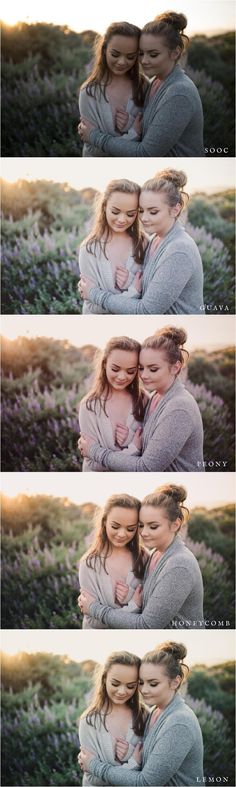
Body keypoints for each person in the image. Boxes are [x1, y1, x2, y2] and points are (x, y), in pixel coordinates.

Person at [78, 326, 205, 472]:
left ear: (176, 368)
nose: (144, 375)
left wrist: (94, 451)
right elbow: (148, 444)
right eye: (142, 368)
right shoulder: (153, 398)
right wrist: (130, 439)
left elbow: (146, 466)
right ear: (105, 364)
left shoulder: (178, 407)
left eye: (153, 369)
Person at [78, 484, 204, 629]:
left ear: (175, 524)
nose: (143, 533)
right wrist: (130, 597)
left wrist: (94, 608)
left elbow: (147, 624)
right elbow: (151, 603)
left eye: (153, 526)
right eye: (141, 525)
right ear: (105, 522)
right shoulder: (152, 555)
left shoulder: (178, 565)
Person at [78, 12, 205, 157]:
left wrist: (94, 136)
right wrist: (129, 125)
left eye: (153, 54)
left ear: (175, 53)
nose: (144, 61)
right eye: (141, 53)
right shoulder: (154, 83)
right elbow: (150, 131)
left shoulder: (178, 92)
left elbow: (146, 152)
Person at [78, 169, 204, 314]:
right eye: (141, 211)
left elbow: (146, 309)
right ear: (104, 207)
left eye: (153, 212)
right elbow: (149, 289)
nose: (144, 218)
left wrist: (94, 294)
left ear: (175, 210)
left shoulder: (178, 250)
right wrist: (130, 282)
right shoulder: (153, 240)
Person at [78, 641, 204, 786]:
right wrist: (130, 753)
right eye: (141, 682)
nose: (144, 690)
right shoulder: (154, 712)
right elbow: (150, 761)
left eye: (153, 684)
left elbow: (145, 782)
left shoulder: (179, 722)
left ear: (175, 682)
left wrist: (94, 765)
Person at [78, 493, 147, 628]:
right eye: (115, 526)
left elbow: (151, 614)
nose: (122, 534)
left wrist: (130, 596)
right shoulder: (89, 564)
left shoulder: (144, 558)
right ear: (104, 521)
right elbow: (93, 622)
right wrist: (133, 606)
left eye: (130, 529)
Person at [78, 22, 147, 157]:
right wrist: (133, 134)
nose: (122, 62)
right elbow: (93, 150)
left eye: (130, 57)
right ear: (104, 50)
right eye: (115, 54)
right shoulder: (88, 92)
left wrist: (129, 125)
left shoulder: (144, 86)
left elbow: (151, 142)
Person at [78, 336, 146, 471]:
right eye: (115, 369)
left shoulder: (144, 400)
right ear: (104, 364)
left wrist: (130, 438)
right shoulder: (89, 406)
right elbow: (92, 464)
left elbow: (151, 457)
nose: (122, 377)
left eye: (130, 371)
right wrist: (133, 449)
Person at [78, 651, 146, 785]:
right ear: (104, 679)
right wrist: (133, 764)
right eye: (115, 684)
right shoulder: (89, 721)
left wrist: (130, 753)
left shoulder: (144, 715)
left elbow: (151, 771)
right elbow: (93, 779)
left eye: (130, 686)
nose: (122, 691)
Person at [79, 179, 146, 314]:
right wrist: (132, 292)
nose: (122, 219)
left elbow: (151, 299)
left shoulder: (144, 243)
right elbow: (92, 306)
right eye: (115, 212)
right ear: (104, 206)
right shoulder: (89, 249)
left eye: (130, 214)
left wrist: (129, 281)